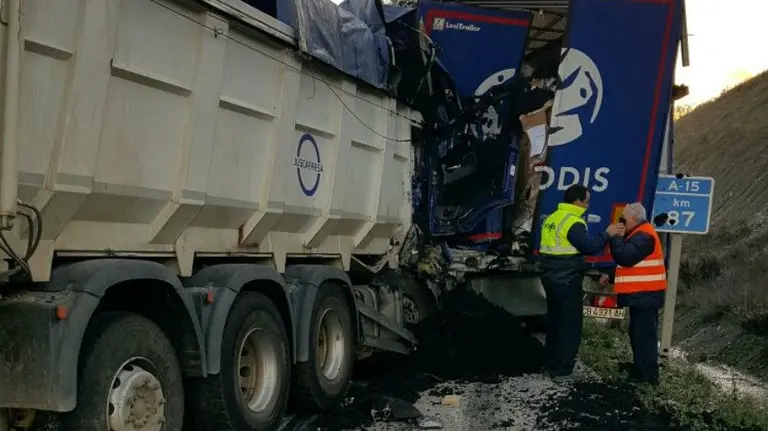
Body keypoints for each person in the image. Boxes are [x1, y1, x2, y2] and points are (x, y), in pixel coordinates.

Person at [539, 184, 624, 382]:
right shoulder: (573, 222)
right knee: (570, 326)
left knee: (554, 323)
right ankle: (563, 371)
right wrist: (608, 233)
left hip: (550, 278)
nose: (588, 205)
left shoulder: (552, 218)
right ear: (577, 201)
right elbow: (591, 246)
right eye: (587, 201)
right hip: (567, 280)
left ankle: (550, 365)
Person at [599, 202, 667, 385]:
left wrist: (615, 237)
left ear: (634, 218)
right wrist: (611, 274)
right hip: (641, 295)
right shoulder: (638, 234)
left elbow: (626, 257)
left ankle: (649, 377)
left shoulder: (644, 235)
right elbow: (631, 263)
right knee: (638, 334)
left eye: (624, 218)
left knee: (645, 337)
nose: (621, 221)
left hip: (646, 295)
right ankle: (640, 371)